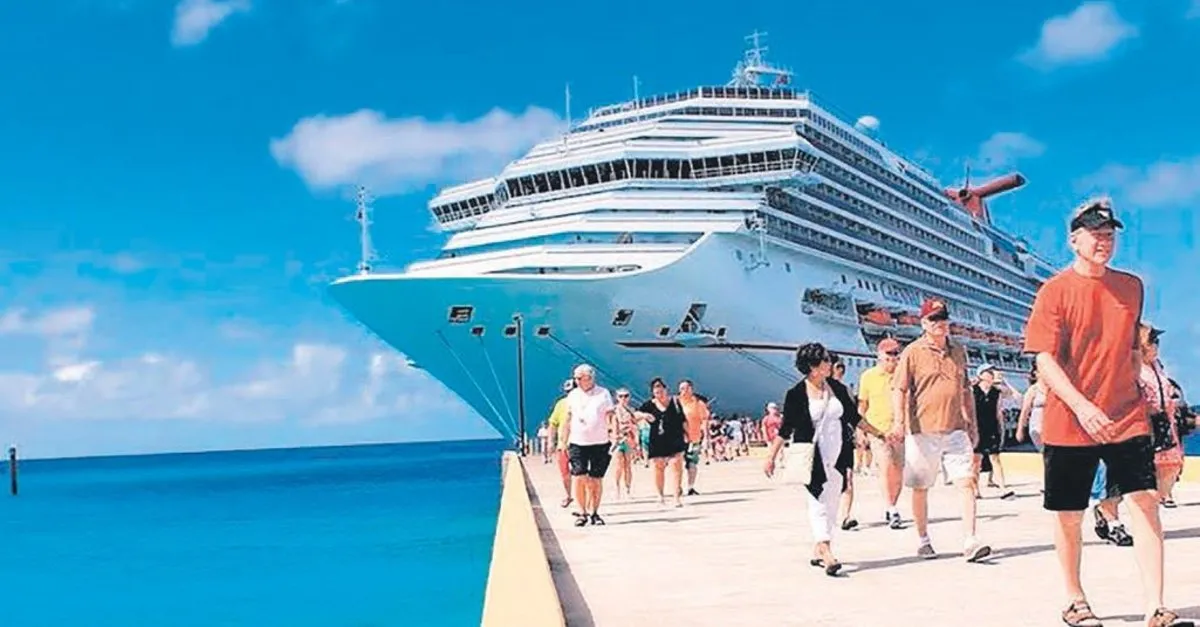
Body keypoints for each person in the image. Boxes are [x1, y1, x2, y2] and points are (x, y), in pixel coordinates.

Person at [1024, 198, 1192, 627]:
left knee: (1145, 501)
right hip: (1069, 419)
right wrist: (1082, 406)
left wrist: (1135, 383)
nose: (1104, 241)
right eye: (1096, 234)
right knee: (1069, 515)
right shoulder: (1054, 291)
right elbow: (1044, 359)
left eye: (1110, 234)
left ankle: (1156, 606)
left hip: (1126, 414)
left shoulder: (1132, 286)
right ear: (1074, 240)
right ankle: (1075, 599)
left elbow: (1133, 346)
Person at [891, 296, 991, 562]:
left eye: (943, 318)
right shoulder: (913, 352)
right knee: (920, 486)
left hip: (956, 429)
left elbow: (966, 390)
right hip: (922, 430)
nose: (940, 323)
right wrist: (899, 422)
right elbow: (899, 388)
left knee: (967, 482)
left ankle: (970, 540)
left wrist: (972, 424)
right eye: (934, 319)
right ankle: (923, 540)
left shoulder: (958, 350)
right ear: (924, 323)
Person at [763, 342, 863, 577]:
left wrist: (880, 433)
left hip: (838, 454)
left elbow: (854, 417)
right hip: (813, 455)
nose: (831, 363)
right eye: (826, 360)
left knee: (832, 502)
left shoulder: (837, 388)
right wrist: (771, 456)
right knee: (817, 499)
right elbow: (786, 429)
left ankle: (819, 550)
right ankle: (826, 551)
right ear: (812, 366)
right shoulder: (796, 394)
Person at [559, 364, 615, 527]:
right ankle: (582, 512)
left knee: (596, 479)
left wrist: (613, 433)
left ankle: (594, 512)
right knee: (579, 477)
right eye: (576, 378)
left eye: (579, 378)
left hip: (600, 442)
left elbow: (610, 416)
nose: (576, 381)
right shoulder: (573, 395)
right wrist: (563, 441)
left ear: (589, 378)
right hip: (577, 442)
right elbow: (568, 418)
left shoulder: (603, 393)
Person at [857, 337, 905, 529]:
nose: (892, 357)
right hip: (877, 430)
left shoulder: (903, 375)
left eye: (896, 353)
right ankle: (892, 509)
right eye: (888, 354)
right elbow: (862, 405)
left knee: (898, 471)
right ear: (879, 355)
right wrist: (861, 430)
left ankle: (892, 503)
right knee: (885, 468)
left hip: (900, 429)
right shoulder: (868, 376)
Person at [1138, 324, 1183, 509]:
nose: (1156, 345)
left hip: (1164, 420)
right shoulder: (1135, 368)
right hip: (1145, 422)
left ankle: (1162, 496)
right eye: (1152, 341)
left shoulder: (1157, 365)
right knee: (1148, 465)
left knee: (1172, 462)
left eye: (1156, 342)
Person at [633, 377, 687, 508]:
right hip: (657, 440)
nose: (660, 394)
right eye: (656, 392)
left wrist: (689, 435)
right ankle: (660, 495)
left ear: (666, 390)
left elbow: (683, 420)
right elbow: (635, 415)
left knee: (676, 467)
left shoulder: (675, 402)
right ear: (653, 393)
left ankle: (676, 497)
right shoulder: (649, 405)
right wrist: (644, 415)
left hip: (675, 439)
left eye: (661, 391)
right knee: (658, 468)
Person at [972, 364, 1017, 501]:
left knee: (995, 458)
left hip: (991, 427)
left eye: (991, 372)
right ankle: (975, 489)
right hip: (977, 427)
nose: (991, 374)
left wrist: (1001, 429)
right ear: (980, 375)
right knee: (976, 461)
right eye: (988, 372)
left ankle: (1002, 488)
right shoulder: (972, 390)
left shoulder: (996, 392)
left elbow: (1001, 409)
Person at [678, 380, 710, 496]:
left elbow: (704, 421)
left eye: (686, 388)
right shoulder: (675, 402)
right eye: (681, 389)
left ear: (691, 389)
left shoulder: (698, 404)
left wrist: (706, 438)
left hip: (694, 438)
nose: (684, 391)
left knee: (692, 462)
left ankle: (690, 487)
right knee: (677, 463)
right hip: (678, 438)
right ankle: (677, 486)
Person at [548, 378, 575, 508]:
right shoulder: (561, 404)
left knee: (582, 473)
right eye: (568, 392)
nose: (570, 394)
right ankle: (568, 495)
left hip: (579, 443)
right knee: (564, 473)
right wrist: (551, 442)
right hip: (563, 445)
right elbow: (553, 423)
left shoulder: (584, 403)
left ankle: (585, 498)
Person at [609, 388, 639, 501]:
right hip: (618, 440)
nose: (623, 398)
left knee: (628, 465)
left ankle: (627, 489)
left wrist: (636, 440)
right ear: (617, 398)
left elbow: (636, 425)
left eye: (626, 396)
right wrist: (615, 436)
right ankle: (616, 489)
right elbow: (611, 425)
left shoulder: (631, 410)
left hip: (629, 439)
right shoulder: (614, 410)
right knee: (618, 465)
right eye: (621, 396)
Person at [1016, 365, 1048, 451]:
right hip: (1037, 423)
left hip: (1051, 422)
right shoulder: (1033, 390)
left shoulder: (1053, 388)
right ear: (1036, 373)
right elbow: (1025, 411)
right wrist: (1020, 429)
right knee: (1044, 449)